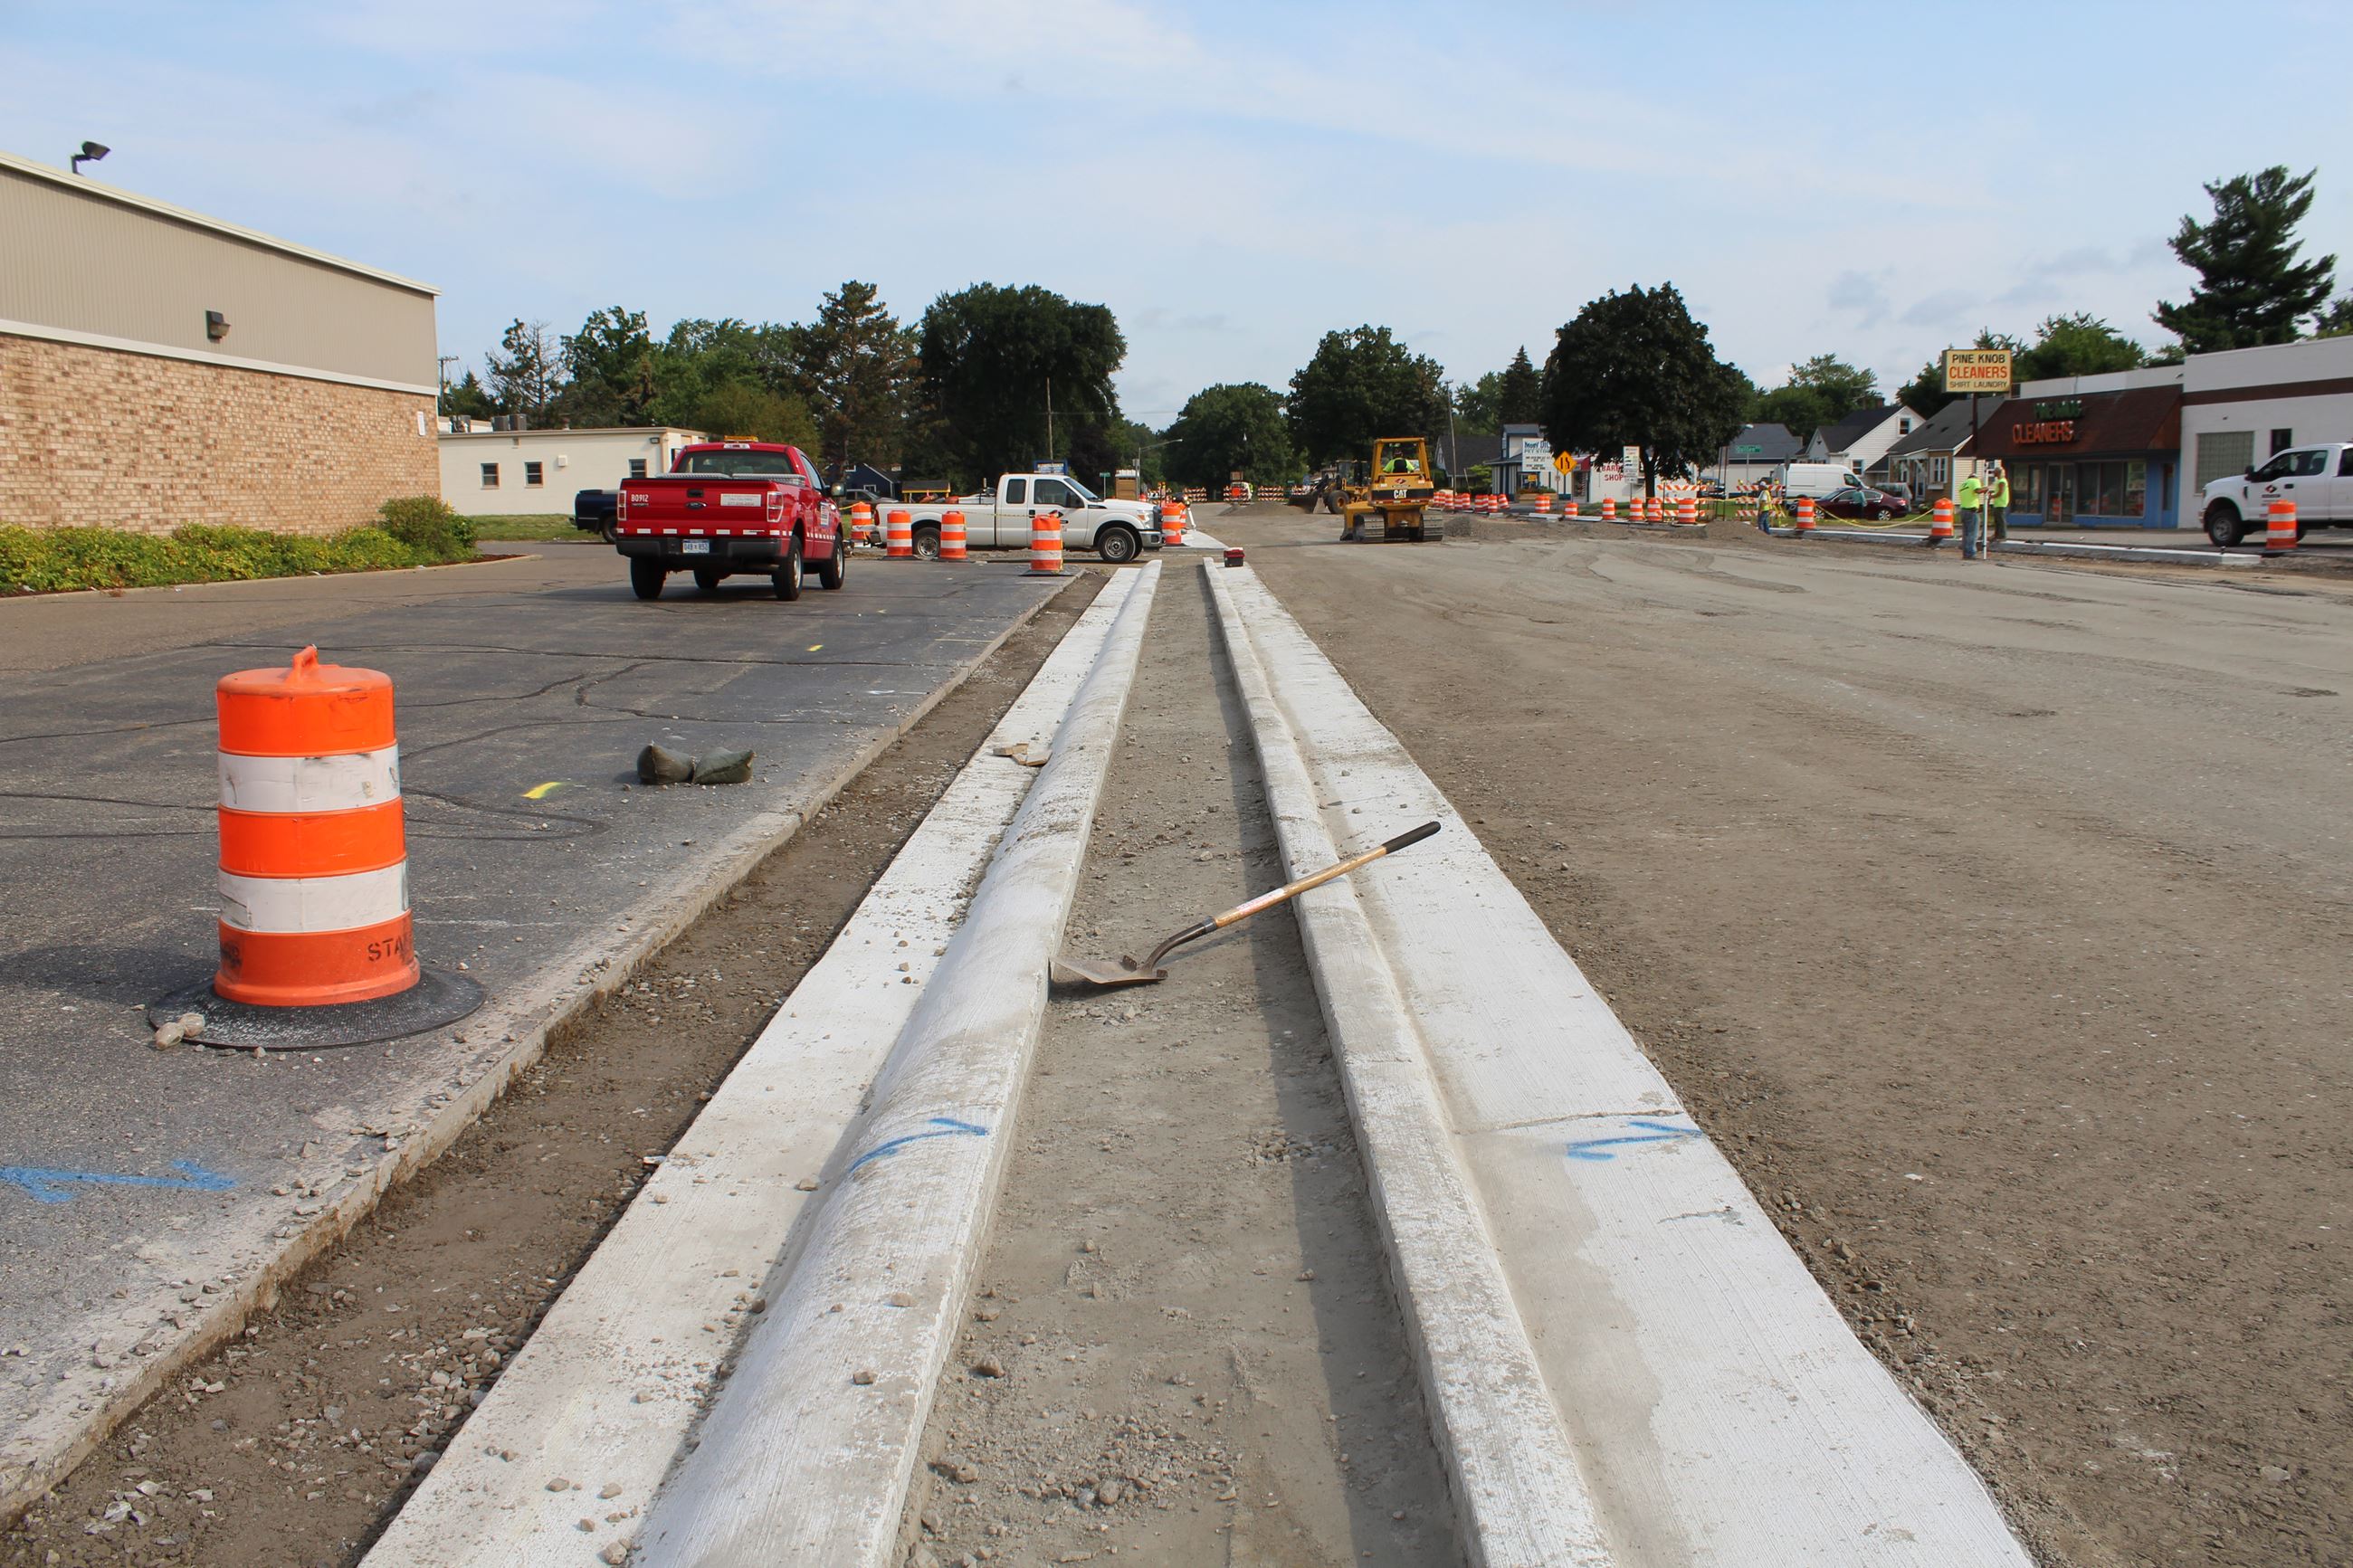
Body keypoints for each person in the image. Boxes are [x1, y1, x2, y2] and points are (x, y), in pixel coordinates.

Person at [1956, 467, 1986, 560]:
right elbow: (1978, 491)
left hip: (1963, 510)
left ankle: (1966, 553)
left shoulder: (1962, 484)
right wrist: (1985, 489)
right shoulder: (1975, 482)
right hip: (1972, 510)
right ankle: (1971, 553)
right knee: (1972, 533)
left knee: (1966, 534)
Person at [1986, 461, 2011, 544]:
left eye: (1995, 472)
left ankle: (2002, 535)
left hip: (2001, 503)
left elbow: (2000, 492)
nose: (1993, 473)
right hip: (1998, 503)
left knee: (2001, 520)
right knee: (1997, 520)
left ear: (1998, 473)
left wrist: (1992, 496)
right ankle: (1997, 535)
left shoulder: (2002, 481)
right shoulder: (1999, 481)